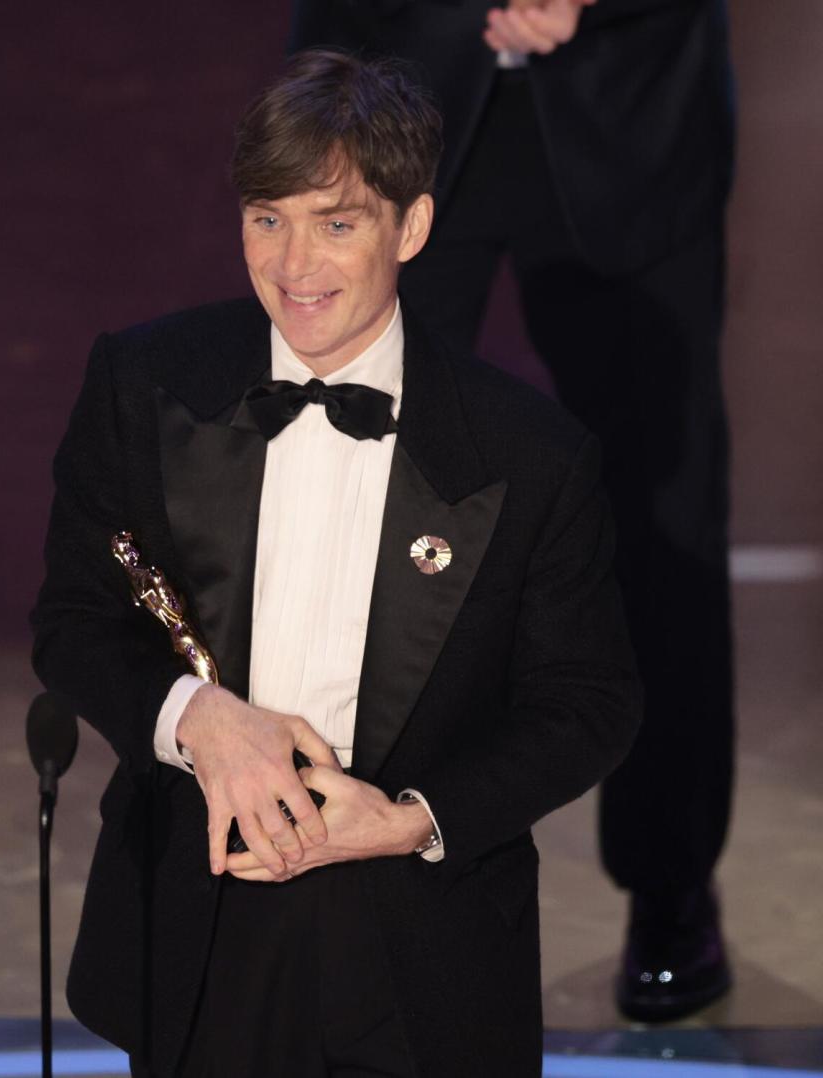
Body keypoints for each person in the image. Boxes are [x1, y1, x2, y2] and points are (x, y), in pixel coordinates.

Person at [32, 50, 641, 1078]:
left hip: (418, 940)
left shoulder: (530, 453)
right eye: (267, 217)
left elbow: (589, 703)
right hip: (196, 917)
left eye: (337, 221)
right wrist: (194, 720)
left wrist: (415, 821)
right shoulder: (145, 383)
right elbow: (73, 620)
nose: (293, 263)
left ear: (413, 227)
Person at [290, 0, 736, 1022]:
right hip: (389, 75)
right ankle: (341, 872)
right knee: (350, 501)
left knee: (661, 513)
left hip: (630, 105)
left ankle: (669, 879)